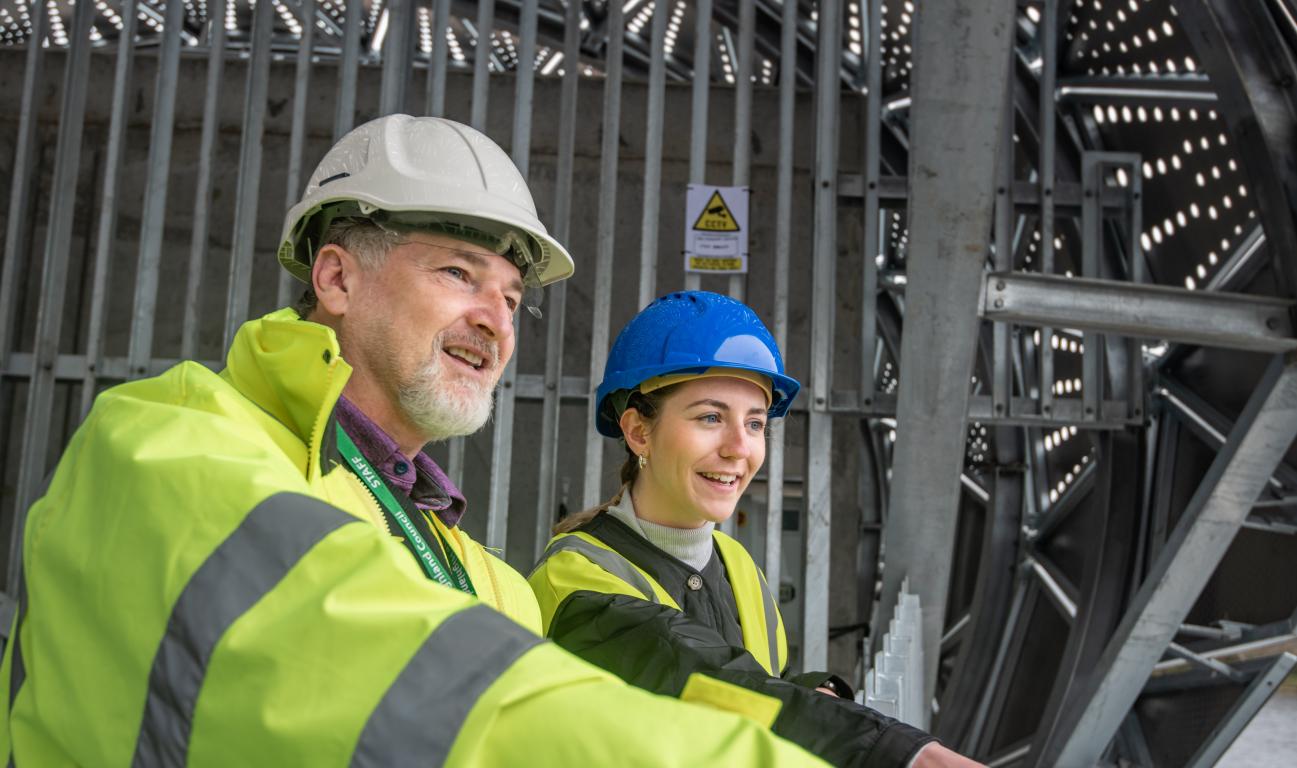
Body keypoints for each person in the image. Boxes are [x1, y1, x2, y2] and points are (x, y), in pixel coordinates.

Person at [0, 116, 828, 765]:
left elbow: (602, 702)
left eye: (512, 298)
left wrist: (839, 737)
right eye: (458, 273)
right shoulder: (169, 442)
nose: (494, 321)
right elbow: (422, 688)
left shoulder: (487, 578)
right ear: (335, 278)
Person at [529, 290, 983, 768]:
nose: (738, 448)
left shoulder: (735, 562)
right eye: (710, 417)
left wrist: (816, 692)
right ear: (639, 431)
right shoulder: (575, 577)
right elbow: (699, 677)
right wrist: (908, 756)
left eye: (754, 423)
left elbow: (764, 684)